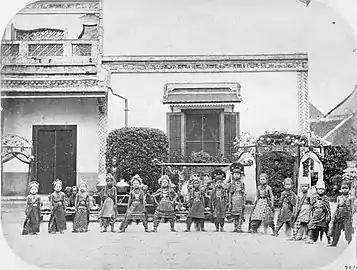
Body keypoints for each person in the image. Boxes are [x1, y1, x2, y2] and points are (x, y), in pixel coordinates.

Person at [328, 181, 354, 247]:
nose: (344, 189)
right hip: (339, 216)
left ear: (349, 189)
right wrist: (334, 216)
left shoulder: (351, 198)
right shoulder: (339, 197)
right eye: (343, 188)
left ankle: (350, 243)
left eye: (346, 188)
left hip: (347, 216)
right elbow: (337, 207)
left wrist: (352, 217)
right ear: (340, 189)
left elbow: (352, 208)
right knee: (336, 231)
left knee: (348, 231)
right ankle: (334, 243)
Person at [229, 162, 246, 233]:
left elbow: (243, 193)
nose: (236, 176)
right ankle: (235, 226)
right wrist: (229, 202)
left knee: (240, 214)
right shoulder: (232, 184)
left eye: (238, 174)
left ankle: (239, 226)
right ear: (233, 175)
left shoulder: (242, 184)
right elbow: (230, 193)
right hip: (234, 200)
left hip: (240, 199)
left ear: (240, 175)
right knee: (234, 214)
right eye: (235, 174)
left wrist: (244, 202)